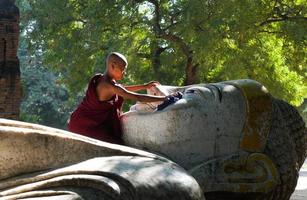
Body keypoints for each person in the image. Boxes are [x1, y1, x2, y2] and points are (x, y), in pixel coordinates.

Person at [67, 52, 167, 144]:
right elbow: (136, 97)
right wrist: (164, 98)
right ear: (112, 66)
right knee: (117, 145)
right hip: (85, 126)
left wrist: (144, 86)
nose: (124, 73)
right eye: (123, 69)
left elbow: (123, 89)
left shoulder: (105, 80)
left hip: (80, 121)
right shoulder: (107, 84)